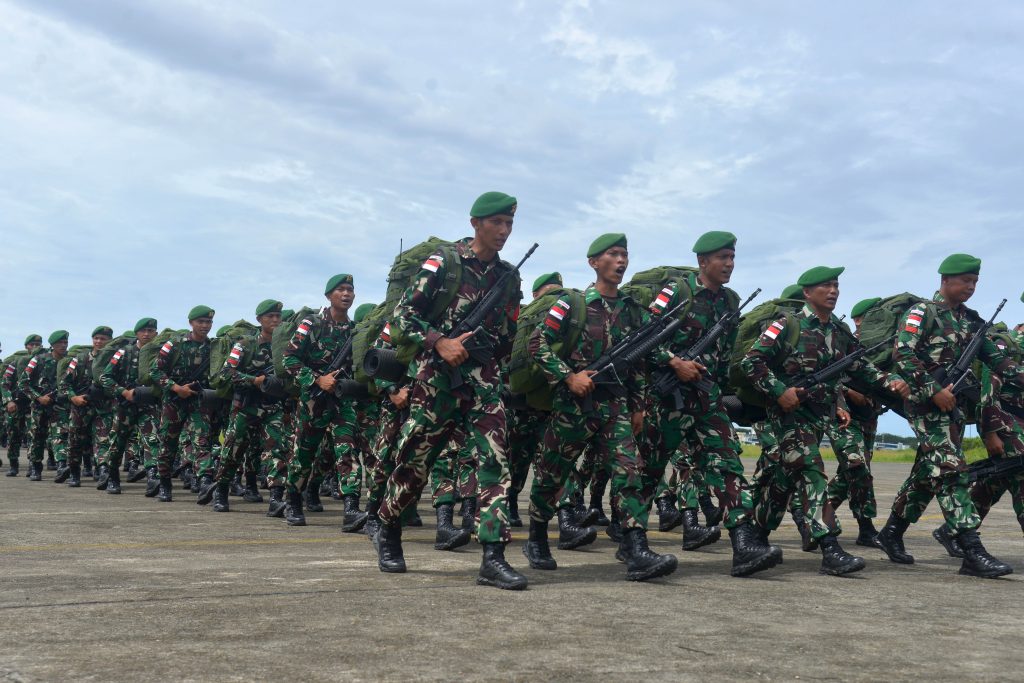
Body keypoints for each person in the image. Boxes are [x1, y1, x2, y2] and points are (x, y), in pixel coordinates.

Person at [373, 191, 527, 590]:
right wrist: (439, 341)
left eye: (509, 224)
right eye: (497, 223)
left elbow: (509, 332)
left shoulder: (508, 276)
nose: (504, 231)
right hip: (436, 381)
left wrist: (496, 360)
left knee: (495, 462)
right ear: (476, 223)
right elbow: (402, 316)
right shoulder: (445, 262)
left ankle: (493, 556)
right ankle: (388, 527)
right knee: (415, 463)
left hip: (483, 382)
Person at [523, 232, 678, 582]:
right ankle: (536, 537)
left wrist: (638, 406)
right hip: (574, 405)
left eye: (624, 254)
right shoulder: (572, 304)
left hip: (615, 406)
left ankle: (636, 547)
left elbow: (638, 361)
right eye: (613, 254)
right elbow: (538, 345)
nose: (621, 261)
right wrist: (568, 377)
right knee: (551, 475)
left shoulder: (632, 312)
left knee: (629, 472)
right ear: (594, 262)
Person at [741, 266, 909, 576]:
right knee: (811, 472)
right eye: (825, 286)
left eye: (835, 285)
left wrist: (890, 381)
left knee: (785, 478)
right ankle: (829, 547)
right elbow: (751, 361)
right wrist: (779, 392)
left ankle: (757, 532)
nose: (833, 291)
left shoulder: (840, 333)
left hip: (821, 417)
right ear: (807, 292)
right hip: (789, 416)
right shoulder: (786, 325)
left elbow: (861, 368)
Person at [642, 231, 781, 576]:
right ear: (703, 261)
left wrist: (723, 390)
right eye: (722, 258)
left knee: (728, 464)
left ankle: (744, 544)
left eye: (732, 257)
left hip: (706, 397)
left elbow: (727, 353)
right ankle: (631, 539)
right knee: (649, 470)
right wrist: (675, 361)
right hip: (667, 397)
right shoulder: (677, 292)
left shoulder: (731, 301)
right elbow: (641, 335)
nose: (729, 264)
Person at [878, 254, 1024, 577]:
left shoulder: (972, 322)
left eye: (975, 282)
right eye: (965, 281)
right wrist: (932, 389)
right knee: (951, 469)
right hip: (925, 407)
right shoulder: (922, 313)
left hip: (952, 410)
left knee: (926, 477)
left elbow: (999, 363)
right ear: (945, 280)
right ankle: (972, 551)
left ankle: (890, 533)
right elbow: (902, 353)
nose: (971, 287)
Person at [280, 275, 358, 526]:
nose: (346, 294)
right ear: (328, 296)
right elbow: (289, 359)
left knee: (347, 451)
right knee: (304, 453)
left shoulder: (354, 330)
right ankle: (292, 501)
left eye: (350, 290)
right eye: (340, 290)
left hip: (341, 401)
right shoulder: (311, 324)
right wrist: (316, 379)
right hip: (313, 401)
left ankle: (352, 509)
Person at [200, 300, 286, 512]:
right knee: (233, 451)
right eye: (270, 316)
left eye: (278, 316)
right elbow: (226, 372)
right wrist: (254, 380)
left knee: (277, 450)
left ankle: (276, 498)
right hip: (245, 407)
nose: (275, 320)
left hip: (272, 407)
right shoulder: (244, 344)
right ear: (259, 320)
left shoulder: (283, 346)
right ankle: (220, 491)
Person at [150, 305, 216, 502]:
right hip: (173, 401)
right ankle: (164, 484)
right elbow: (155, 372)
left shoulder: (212, 347)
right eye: (201, 322)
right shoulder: (174, 344)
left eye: (208, 322)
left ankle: (205, 481)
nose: (205, 326)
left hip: (198, 401)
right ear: (191, 323)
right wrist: (176, 388)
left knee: (202, 440)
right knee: (168, 443)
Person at [97, 318, 160, 494]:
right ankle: (113, 477)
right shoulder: (124, 352)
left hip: (148, 405)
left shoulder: (158, 352)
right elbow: (105, 377)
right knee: (117, 442)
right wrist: (123, 392)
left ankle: (153, 477)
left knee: (152, 440)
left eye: (150, 330)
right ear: (137, 333)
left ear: (155, 333)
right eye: (143, 331)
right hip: (125, 405)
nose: (147, 334)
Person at [19, 330, 71, 481]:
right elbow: (23, 383)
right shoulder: (38, 360)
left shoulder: (69, 361)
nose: (63, 345)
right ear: (52, 345)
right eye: (59, 343)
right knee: (37, 437)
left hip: (59, 405)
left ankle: (62, 466)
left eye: (65, 342)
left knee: (60, 434)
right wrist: (38, 398)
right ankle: (35, 467)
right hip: (39, 405)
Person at [2, 334, 43, 476]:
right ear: (26, 346)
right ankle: (13, 464)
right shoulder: (15, 363)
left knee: (34, 435)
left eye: (38, 344)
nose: (35, 347)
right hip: (17, 404)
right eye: (32, 344)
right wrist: (9, 401)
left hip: (34, 404)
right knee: (13, 435)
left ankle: (33, 465)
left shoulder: (43, 362)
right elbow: (5, 384)